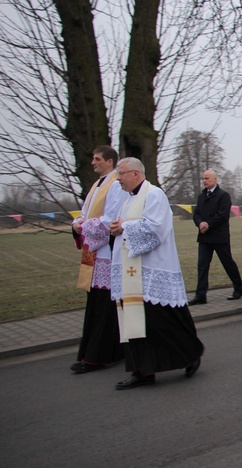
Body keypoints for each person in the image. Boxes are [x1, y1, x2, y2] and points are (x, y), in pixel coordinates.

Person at [110, 157, 204, 389]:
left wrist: (124, 227)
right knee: (137, 323)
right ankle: (142, 371)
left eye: (121, 173)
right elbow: (127, 227)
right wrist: (117, 228)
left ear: (136, 173)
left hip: (154, 268)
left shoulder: (154, 195)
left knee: (163, 322)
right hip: (133, 271)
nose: (118, 179)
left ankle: (191, 354)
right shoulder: (127, 200)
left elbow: (156, 228)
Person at [70, 145, 128, 374]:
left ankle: (99, 356)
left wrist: (84, 226)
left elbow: (111, 218)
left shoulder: (116, 183)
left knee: (105, 306)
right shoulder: (97, 185)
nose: (93, 162)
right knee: (96, 304)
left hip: (107, 251)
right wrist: (77, 223)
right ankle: (96, 351)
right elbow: (86, 213)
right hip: (94, 252)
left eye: (97, 159)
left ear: (110, 161)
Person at [189, 169, 242, 305]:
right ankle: (200, 295)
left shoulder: (223, 196)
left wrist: (208, 224)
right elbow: (196, 214)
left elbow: (223, 214)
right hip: (204, 238)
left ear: (215, 180)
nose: (204, 181)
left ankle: (239, 288)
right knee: (202, 265)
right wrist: (200, 223)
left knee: (227, 263)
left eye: (207, 178)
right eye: (203, 178)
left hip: (220, 237)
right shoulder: (201, 196)